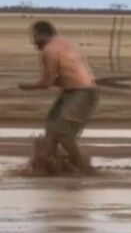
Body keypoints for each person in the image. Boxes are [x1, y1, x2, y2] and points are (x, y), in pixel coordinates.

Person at [17, 20, 99, 173]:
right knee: (51, 127)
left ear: (41, 34)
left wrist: (26, 86)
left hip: (81, 93)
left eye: (34, 37)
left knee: (63, 133)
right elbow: (64, 76)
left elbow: (46, 83)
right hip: (72, 90)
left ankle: (81, 167)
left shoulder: (49, 50)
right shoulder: (63, 43)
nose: (33, 42)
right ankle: (47, 165)